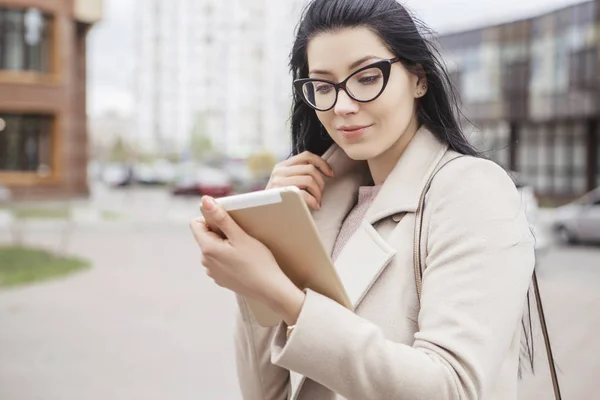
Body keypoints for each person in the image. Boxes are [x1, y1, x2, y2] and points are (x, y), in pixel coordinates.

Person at [189, 0, 535, 399]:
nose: (342, 106)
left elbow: (451, 388)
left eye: (367, 77)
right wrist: (268, 240)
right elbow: (267, 393)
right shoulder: (321, 202)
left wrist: (280, 294)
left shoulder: (471, 191)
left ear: (418, 78)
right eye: (322, 86)